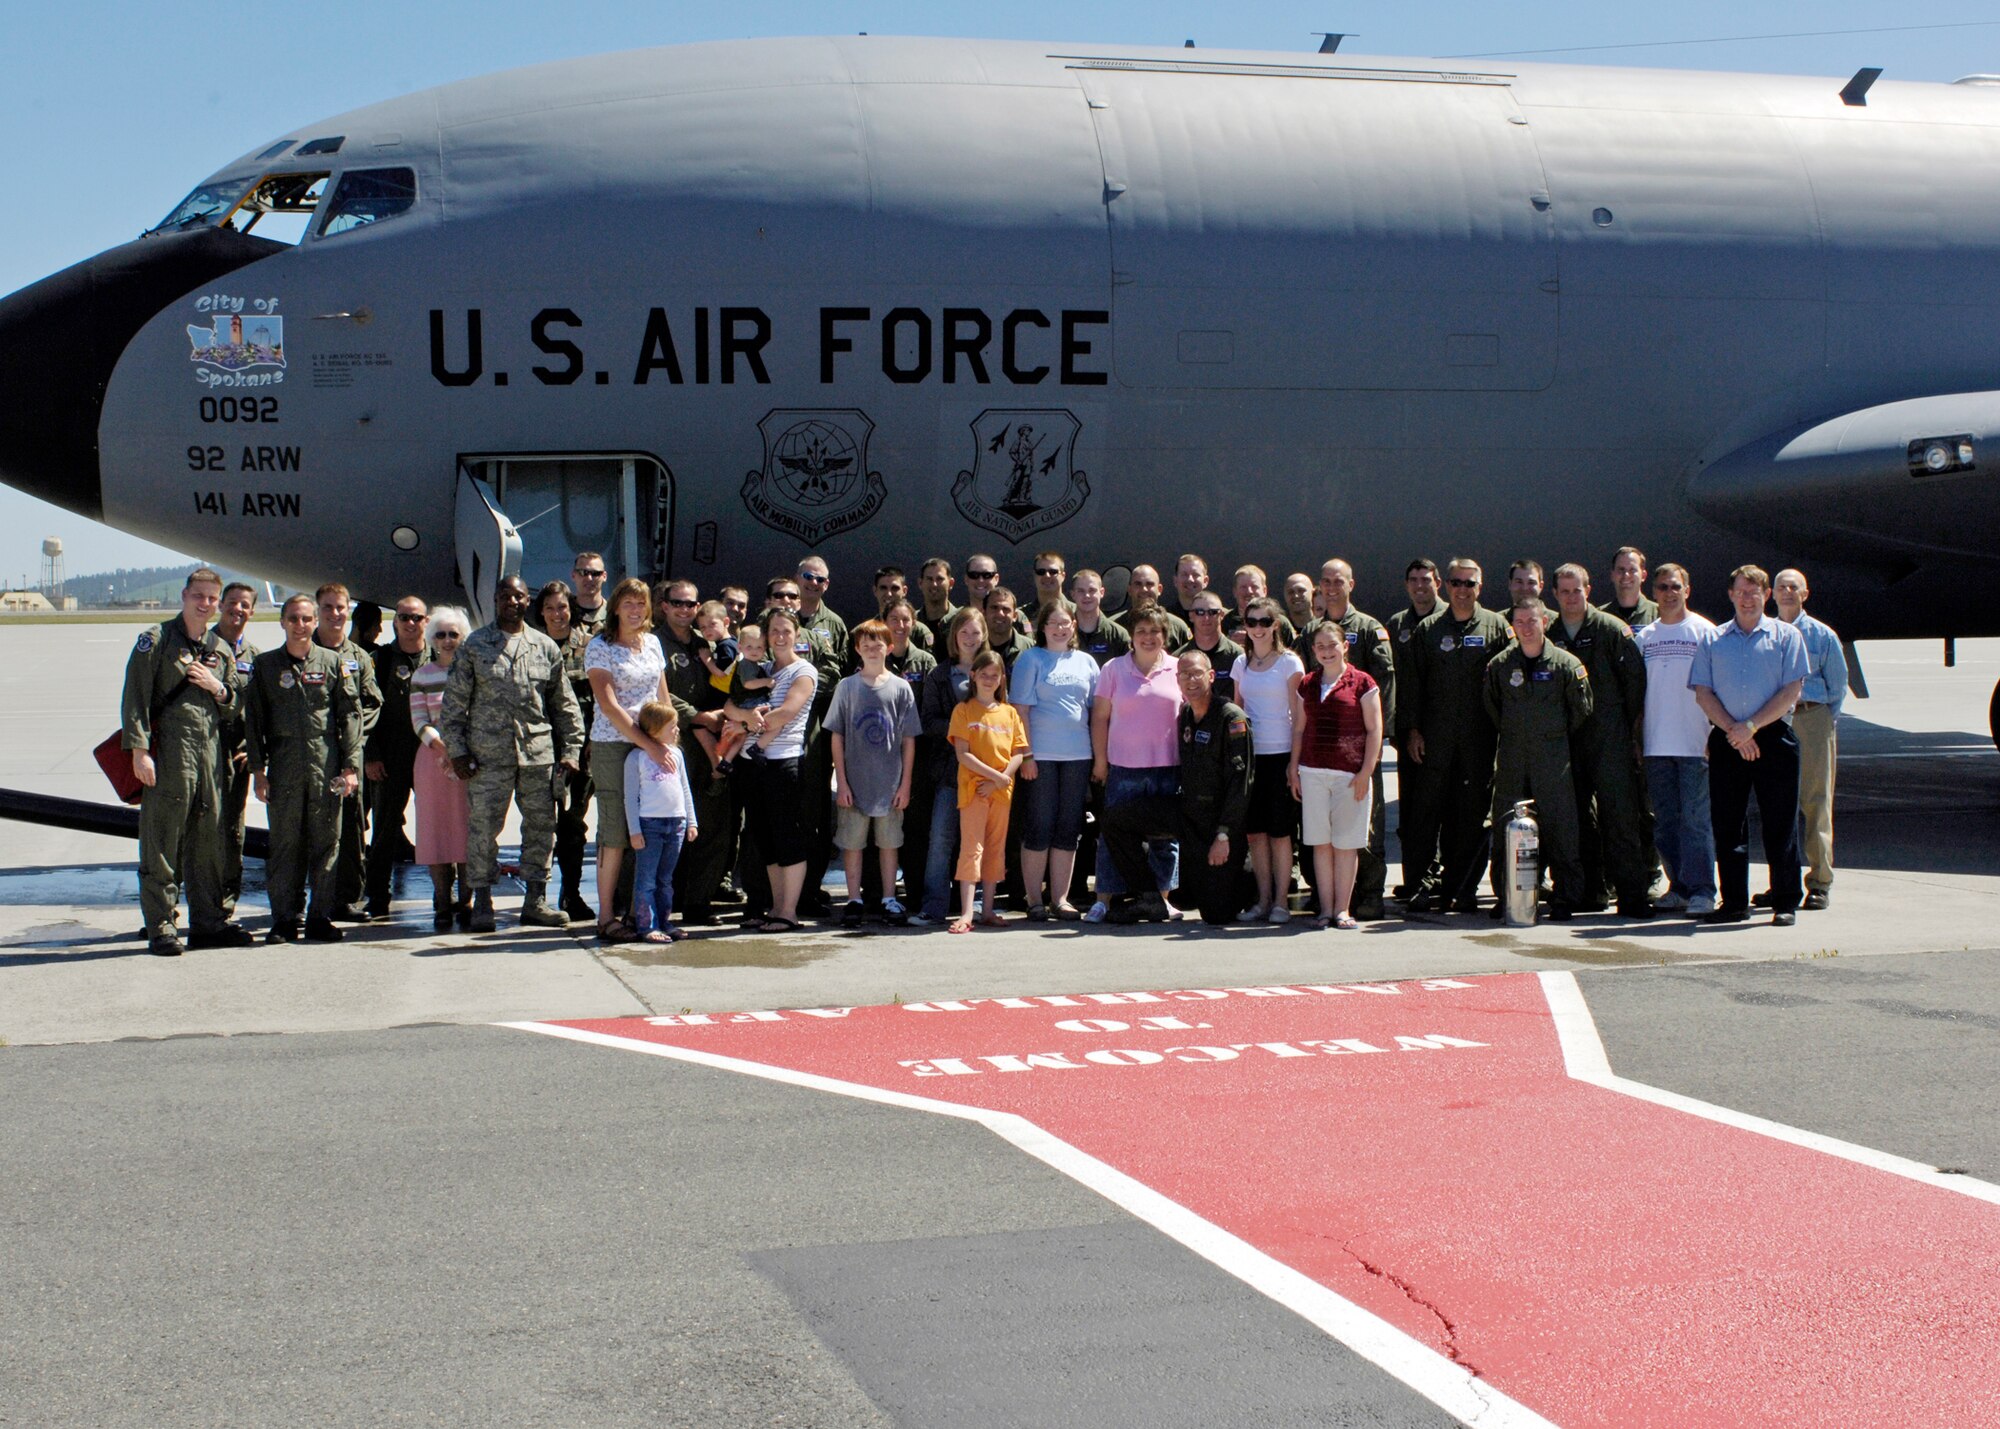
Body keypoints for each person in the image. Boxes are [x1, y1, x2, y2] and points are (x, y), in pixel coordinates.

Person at [441, 575, 585, 933]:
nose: (513, 602)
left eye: (520, 596)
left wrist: (570, 750)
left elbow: (564, 704)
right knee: (484, 831)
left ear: (527, 602)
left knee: (540, 828)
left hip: (537, 755)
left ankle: (535, 900)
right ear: (496, 599)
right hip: (487, 757)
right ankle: (483, 903)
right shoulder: (475, 645)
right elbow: (453, 705)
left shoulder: (544, 647)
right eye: (506, 596)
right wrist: (457, 752)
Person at [120, 567, 249, 955]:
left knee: (209, 842)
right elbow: (135, 700)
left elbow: (236, 708)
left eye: (212, 598)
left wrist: (219, 689)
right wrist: (139, 752)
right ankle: (161, 925)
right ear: (184, 595)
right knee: (162, 842)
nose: (206, 603)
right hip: (169, 756)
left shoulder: (220, 648)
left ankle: (208, 923)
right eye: (199, 596)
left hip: (209, 757)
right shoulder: (156, 640)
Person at [1690, 566, 1809, 926]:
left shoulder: (1786, 637)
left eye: (1754, 592)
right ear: (1730, 595)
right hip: (1728, 739)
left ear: (1766, 596)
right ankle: (1734, 903)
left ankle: (1785, 900)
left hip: (1772, 737)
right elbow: (1703, 692)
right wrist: (1734, 731)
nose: (1747, 598)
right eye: (1741, 591)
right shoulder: (1713, 640)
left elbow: (1792, 690)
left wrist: (1751, 727)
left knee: (1780, 823)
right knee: (1728, 824)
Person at [245, 593, 363, 944]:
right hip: (284, 768)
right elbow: (255, 721)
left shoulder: (331, 662)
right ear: (282, 622)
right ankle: (284, 918)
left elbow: (350, 715)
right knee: (284, 847)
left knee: (327, 845)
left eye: (306, 619)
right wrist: (258, 771)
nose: (300, 625)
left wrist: (350, 767)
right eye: (293, 619)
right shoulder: (266, 667)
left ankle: (319, 917)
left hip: (325, 767)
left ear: (315, 623)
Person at [1104, 651, 1253, 925]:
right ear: (1177, 679)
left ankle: (1247, 885)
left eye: (1197, 673)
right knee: (1117, 819)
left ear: (1210, 676)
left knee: (1216, 915)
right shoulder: (1185, 714)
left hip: (1218, 825)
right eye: (1184, 674)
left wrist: (1223, 835)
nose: (1190, 680)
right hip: (1187, 813)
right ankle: (1149, 898)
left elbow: (1240, 784)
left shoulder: (1230, 717)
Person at [1401, 559, 1512, 913]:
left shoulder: (1497, 626)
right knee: (1425, 816)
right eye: (1456, 582)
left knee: (1471, 818)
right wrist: (1414, 730)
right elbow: (1412, 684)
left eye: (1470, 583)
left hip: (1478, 742)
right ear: (1446, 586)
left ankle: (1461, 888)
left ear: (1480, 587)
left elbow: (1504, 685)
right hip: (1435, 741)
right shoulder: (1429, 629)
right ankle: (1420, 886)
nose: (1462, 589)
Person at [1549, 564, 1652, 918]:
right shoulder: (1550, 633)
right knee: (1576, 820)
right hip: (1570, 741)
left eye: (1576, 590)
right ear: (1555, 595)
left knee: (1620, 817)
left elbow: (1635, 685)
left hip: (1609, 738)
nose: (1571, 597)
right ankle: (1589, 892)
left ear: (1588, 590)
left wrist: (1631, 735)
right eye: (1564, 592)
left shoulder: (1611, 630)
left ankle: (1632, 895)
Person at [1293, 559, 1394, 919]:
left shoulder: (1368, 629)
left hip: (1357, 756)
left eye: (1339, 581)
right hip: (1319, 756)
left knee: (1366, 830)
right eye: (1326, 582)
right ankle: (1325, 899)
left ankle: (1366, 895)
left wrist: (1373, 757)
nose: (1331, 587)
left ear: (1352, 584)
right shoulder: (1309, 634)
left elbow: (1385, 683)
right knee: (1320, 836)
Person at [1484, 598, 1594, 920]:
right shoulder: (1500, 666)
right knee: (1506, 826)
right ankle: (1507, 896)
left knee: (1561, 828)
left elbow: (1581, 710)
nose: (1526, 628)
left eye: (1532, 621)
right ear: (1512, 626)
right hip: (1513, 759)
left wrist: (1551, 737)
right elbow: (1493, 708)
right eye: (1520, 623)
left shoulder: (1566, 665)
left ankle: (1565, 897)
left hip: (1553, 759)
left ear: (1545, 621)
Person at [584, 577, 671, 941]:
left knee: (649, 830)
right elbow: (609, 706)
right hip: (614, 745)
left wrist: (667, 737)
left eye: (641, 604)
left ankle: (641, 913)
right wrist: (646, 744)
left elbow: (661, 693)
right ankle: (606, 916)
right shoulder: (600, 647)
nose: (635, 611)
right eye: (628, 604)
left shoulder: (652, 643)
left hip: (650, 740)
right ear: (615, 608)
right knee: (617, 831)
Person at [1087, 611, 1185, 922]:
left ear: (1164, 635)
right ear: (1132, 635)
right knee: (1112, 836)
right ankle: (1104, 900)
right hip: (1124, 769)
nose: (1148, 637)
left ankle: (1162, 899)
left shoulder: (1178, 668)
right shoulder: (1113, 669)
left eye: (1154, 631)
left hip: (1168, 768)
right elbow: (1100, 717)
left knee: (1165, 840)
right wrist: (1101, 761)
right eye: (1141, 630)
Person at [1634, 564, 1719, 916]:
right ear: (1653, 592)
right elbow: (1638, 695)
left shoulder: (1704, 632)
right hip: (1656, 745)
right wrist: (1637, 739)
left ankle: (1702, 889)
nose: (1669, 593)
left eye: (1675, 587)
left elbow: (1718, 687)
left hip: (1694, 743)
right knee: (1666, 821)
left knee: (1695, 820)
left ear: (1687, 589)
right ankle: (1679, 886)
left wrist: (1714, 733)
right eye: (1662, 587)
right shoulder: (1645, 637)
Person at [1289, 622, 1382, 929]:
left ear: (1345, 646)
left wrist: (1365, 772)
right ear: (1313, 650)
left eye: (1333, 645)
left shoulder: (1363, 683)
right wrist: (1294, 768)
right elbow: (1299, 728)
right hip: (1313, 772)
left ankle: (1342, 909)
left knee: (1346, 844)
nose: (1327, 652)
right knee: (1320, 843)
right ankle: (1326, 910)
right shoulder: (1308, 683)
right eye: (1320, 647)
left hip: (1349, 775)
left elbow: (1374, 730)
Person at [827, 619, 920, 924]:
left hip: (890, 784)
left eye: (878, 643)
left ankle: (889, 898)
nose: (871, 648)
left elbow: (908, 739)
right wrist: (841, 782)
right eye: (865, 644)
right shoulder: (847, 687)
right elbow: (836, 735)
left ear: (889, 647)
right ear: (857, 649)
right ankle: (854, 899)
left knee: (889, 843)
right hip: (855, 782)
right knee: (853, 844)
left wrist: (905, 784)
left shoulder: (901, 688)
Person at [1010, 601, 1098, 919]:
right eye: (1054, 623)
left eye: (1066, 623)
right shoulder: (1030, 659)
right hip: (1041, 757)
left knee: (1067, 828)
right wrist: (1027, 755)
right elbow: (1020, 711)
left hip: (1078, 756)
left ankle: (1059, 898)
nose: (1060, 628)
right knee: (1039, 826)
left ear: (1074, 626)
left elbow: (1095, 710)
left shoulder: (1086, 662)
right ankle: (1034, 899)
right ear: (1042, 627)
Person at [655, 580, 736, 924]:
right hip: (672, 742)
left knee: (712, 824)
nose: (685, 610)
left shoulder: (708, 642)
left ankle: (699, 900)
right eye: (678, 603)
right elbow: (655, 689)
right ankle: (662, 898)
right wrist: (697, 716)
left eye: (691, 604)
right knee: (670, 826)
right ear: (664, 606)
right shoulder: (653, 642)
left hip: (711, 745)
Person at [734, 606, 819, 931]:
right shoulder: (760, 670)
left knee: (787, 836)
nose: (781, 637)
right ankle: (777, 908)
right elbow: (730, 702)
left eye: (787, 631)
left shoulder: (803, 672)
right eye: (775, 631)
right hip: (751, 764)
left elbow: (785, 713)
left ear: (797, 635)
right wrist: (743, 718)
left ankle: (789, 912)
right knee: (766, 839)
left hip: (783, 764)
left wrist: (745, 723)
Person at [1774, 568, 1846, 911]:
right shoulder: (1767, 633)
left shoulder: (1822, 635)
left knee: (1816, 801)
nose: (1787, 592)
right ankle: (1782, 883)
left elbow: (1838, 686)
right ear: (1772, 594)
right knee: (1778, 804)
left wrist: (1820, 721)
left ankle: (1819, 881)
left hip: (1813, 715)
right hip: (1777, 719)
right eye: (1781, 587)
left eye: (1794, 587)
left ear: (1805, 594)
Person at [1230, 596, 1305, 922]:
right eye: (1251, 622)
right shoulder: (1240, 664)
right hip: (1251, 758)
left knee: (1280, 832)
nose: (1257, 629)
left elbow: (1299, 717)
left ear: (1275, 624)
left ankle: (1280, 902)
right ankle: (1261, 900)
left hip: (1281, 754)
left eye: (1264, 622)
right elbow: (1238, 712)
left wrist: (1294, 764)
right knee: (1255, 834)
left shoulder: (1290, 663)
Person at [313, 583, 383, 921]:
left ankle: (346, 899)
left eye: (340, 608)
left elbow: (372, 703)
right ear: (318, 611)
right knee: (307, 828)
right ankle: (305, 900)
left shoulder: (359, 657)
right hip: (312, 752)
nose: (335, 614)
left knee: (352, 827)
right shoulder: (300, 649)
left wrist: (354, 735)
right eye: (328, 607)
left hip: (350, 758)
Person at [914, 607, 989, 923]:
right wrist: (962, 729)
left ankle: (978, 906)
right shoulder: (939, 675)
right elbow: (928, 720)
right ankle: (934, 906)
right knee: (941, 839)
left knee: (982, 839)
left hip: (986, 769)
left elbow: (1005, 714)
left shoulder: (993, 671)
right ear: (954, 637)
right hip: (949, 770)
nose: (970, 639)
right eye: (964, 633)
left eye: (975, 632)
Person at [947, 650, 1029, 932]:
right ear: (973, 675)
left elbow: (1019, 752)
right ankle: (968, 912)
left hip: (1000, 793)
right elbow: (963, 754)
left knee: (996, 849)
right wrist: (995, 776)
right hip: (974, 791)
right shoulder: (964, 710)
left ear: (1001, 679)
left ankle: (989, 910)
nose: (989, 680)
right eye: (984, 674)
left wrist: (1001, 779)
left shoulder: (1010, 713)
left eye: (995, 676)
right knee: (972, 848)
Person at [363, 595, 432, 918]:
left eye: (416, 618)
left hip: (431, 756)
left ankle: (449, 893)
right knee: (385, 830)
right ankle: (378, 894)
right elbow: (367, 712)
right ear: (395, 622)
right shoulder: (380, 660)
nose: (410, 624)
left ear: (426, 622)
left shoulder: (438, 658)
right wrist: (371, 756)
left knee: (438, 825)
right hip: (391, 757)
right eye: (404, 617)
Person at [409, 606, 473, 930]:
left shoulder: (473, 672)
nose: (447, 640)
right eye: (441, 634)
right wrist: (443, 746)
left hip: (467, 760)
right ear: (432, 639)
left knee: (465, 831)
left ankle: (466, 901)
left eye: (453, 634)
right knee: (435, 833)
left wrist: (462, 751)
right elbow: (418, 718)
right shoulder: (422, 676)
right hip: (433, 759)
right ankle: (442, 902)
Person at [538, 580, 598, 922]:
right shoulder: (532, 645)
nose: (557, 615)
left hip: (579, 749)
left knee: (573, 823)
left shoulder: (588, 646)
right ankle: (539, 894)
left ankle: (571, 892)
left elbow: (599, 697)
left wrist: (589, 742)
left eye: (562, 607)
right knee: (540, 824)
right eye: (550, 608)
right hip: (541, 749)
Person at [1384, 558, 1441, 898]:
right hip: (1408, 734)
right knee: (1411, 813)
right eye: (1414, 580)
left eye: (1426, 579)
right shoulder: (1397, 624)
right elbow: (1394, 683)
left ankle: (1438, 877)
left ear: (1438, 583)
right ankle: (1416, 877)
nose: (1420, 585)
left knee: (1444, 811)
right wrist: (1399, 730)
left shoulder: (1449, 620)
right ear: (1406, 585)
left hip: (1444, 732)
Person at [623, 701, 699, 943]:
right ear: (654, 730)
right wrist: (634, 830)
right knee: (646, 879)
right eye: (672, 726)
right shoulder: (636, 758)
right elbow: (630, 797)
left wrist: (691, 821)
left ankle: (666, 921)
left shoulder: (676, 754)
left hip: (675, 823)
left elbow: (684, 788)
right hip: (649, 825)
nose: (677, 730)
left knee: (665, 880)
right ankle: (647, 925)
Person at [213, 581, 259, 922]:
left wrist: (255, 753)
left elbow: (259, 712)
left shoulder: (255, 657)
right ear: (220, 606)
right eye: (232, 603)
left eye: (244, 604)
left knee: (232, 832)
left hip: (236, 758)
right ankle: (174, 910)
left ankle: (225, 908)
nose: (237, 609)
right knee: (191, 832)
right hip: (201, 753)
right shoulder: (201, 645)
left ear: (252, 611)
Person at [1178, 592, 1244, 703]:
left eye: (1213, 612)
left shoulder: (1238, 656)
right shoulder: (1179, 658)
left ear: (1222, 615)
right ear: (1191, 616)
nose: (1206, 617)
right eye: (1200, 612)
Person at [1116, 565, 1193, 648]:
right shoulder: (1115, 626)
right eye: (1138, 584)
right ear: (1129, 589)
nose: (1144, 589)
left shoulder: (1177, 627)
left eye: (1149, 584)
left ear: (1159, 589)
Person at [1224, 564, 1298, 647]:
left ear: (1264, 590)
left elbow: (1295, 653)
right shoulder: (1225, 622)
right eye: (1243, 587)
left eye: (1254, 586)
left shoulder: (1280, 622)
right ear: (1234, 592)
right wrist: (1229, 644)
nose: (1249, 591)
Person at [1070, 569, 1131, 666]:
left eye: (1092, 590)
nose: (1087, 595)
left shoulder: (1117, 635)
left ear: (1102, 592)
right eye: (1081, 591)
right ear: (1073, 594)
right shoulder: (1063, 632)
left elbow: (1128, 671)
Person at [1601, 547, 1659, 630]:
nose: (1626, 575)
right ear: (1612, 575)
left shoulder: (1660, 614)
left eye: (1632, 570)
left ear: (1643, 576)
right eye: (1621, 570)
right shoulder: (1599, 617)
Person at [983, 587, 1034, 670]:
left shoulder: (1032, 649)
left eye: (1006, 609)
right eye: (994, 607)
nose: (1000, 614)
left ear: (1015, 616)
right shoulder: (974, 648)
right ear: (984, 613)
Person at [917, 557, 960, 646]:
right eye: (929, 579)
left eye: (939, 579)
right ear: (920, 583)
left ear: (951, 583)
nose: (934, 584)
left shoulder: (961, 621)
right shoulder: (910, 622)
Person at [568, 552, 611, 640]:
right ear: (573, 575)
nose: (589, 578)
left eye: (595, 573)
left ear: (604, 576)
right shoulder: (562, 615)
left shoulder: (614, 615)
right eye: (583, 572)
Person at [1164, 553, 1210, 625]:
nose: (1190, 579)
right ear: (1175, 581)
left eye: (1195, 575)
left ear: (1205, 581)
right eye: (1184, 575)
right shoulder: (1164, 619)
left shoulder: (1218, 616)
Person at [1028, 551, 1074, 624]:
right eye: (1041, 571)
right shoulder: (1022, 615)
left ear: (1063, 576)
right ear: (1034, 576)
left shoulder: (1077, 612)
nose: (1047, 576)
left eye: (1053, 571)